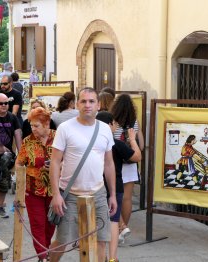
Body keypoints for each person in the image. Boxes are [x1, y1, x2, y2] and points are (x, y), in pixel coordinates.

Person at [49, 87, 117, 262]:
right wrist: (56, 194)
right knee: (63, 240)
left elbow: (109, 164)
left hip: (98, 193)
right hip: (70, 194)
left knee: (101, 240)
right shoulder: (65, 128)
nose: (88, 105)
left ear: (98, 105)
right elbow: (55, 162)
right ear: (77, 104)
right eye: (83, 101)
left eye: (91, 101)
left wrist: (113, 195)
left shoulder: (105, 129)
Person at [95, 111, 141, 262]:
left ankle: (101, 257)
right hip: (115, 187)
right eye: (114, 123)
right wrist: (133, 139)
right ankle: (113, 258)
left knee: (97, 223)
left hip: (95, 187)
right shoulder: (116, 143)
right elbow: (137, 157)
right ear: (110, 125)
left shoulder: (92, 141)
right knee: (113, 222)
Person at [16, 107, 56, 261]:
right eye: (31, 125)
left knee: (51, 224)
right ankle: (43, 256)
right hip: (33, 191)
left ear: (46, 124)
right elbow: (19, 164)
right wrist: (29, 173)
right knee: (38, 224)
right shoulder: (28, 142)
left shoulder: (59, 138)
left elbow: (69, 161)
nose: (32, 129)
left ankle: (45, 252)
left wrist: (56, 165)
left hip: (55, 191)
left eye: (36, 126)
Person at [109, 93, 145, 243]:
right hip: (130, 161)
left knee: (113, 195)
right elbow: (141, 145)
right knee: (127, 198)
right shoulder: (135, 122)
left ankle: (118, 227)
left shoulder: (112, 121)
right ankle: (123, 228)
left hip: (114, 162)